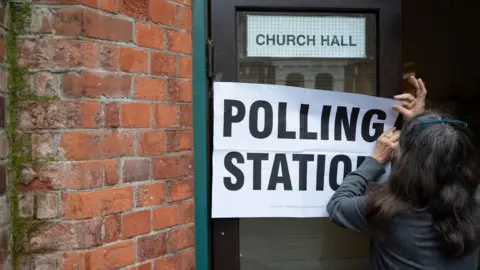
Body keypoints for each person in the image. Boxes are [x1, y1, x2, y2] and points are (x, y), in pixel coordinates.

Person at [327, 76, 480, 269]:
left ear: (407, 163)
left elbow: (337, 205)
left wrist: (375, 160)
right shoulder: (474, 205)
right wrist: (423, 128)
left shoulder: (388, 211)